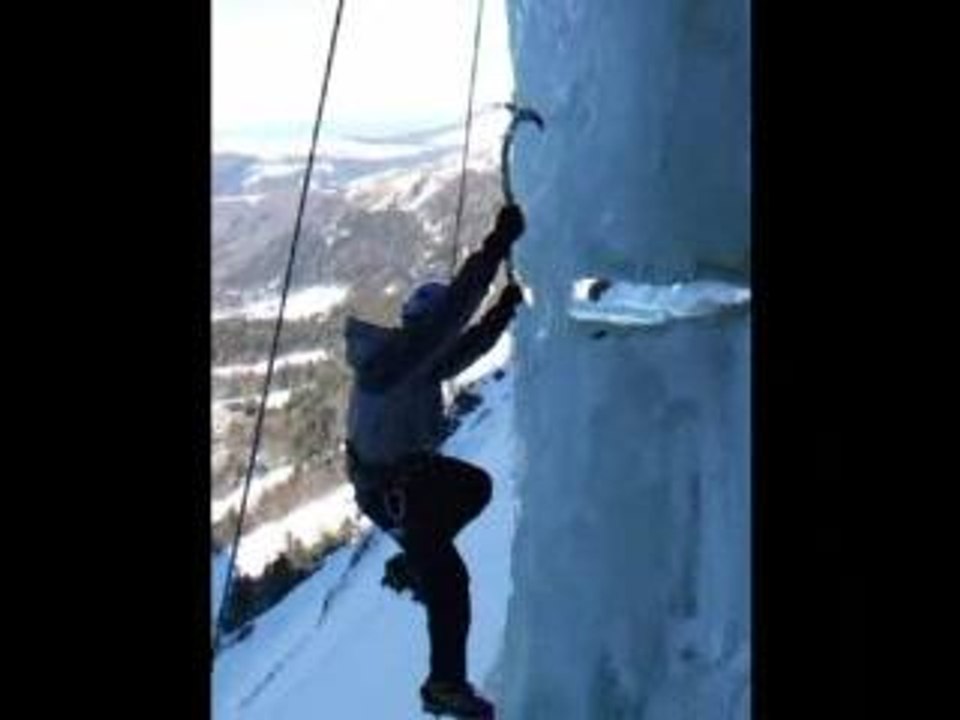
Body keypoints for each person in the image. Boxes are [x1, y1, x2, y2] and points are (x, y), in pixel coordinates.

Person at [343, 203, 525, 718]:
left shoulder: (406, 362)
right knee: (450, 584)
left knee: (474, 487)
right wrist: (496, 246)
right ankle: (444, 684)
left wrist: (504, 311)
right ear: (421, 328)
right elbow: (454, 317)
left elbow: (462, 349)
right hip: (395, 492)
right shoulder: (398, 361)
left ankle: (415, 561)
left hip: (396, 484)